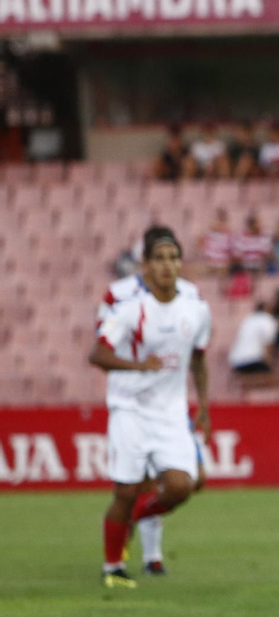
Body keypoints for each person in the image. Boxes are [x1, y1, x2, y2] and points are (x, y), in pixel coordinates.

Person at [89, 227, 211, 588]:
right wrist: (138, 366)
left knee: (181, 486)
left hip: (171, 412)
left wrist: (204, 405)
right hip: (130, 408)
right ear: (145, 264)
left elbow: (199, 359)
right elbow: (98, 353)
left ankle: (134, 523)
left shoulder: (197, 308)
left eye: (174, 258)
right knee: (127, 491)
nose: (167, 266)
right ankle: (114, 567)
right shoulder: (128, 308)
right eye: (159, 259)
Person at [228, 300, 279, 388]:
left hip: (235, 361)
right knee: (275, 379)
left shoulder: (248, 319)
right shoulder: (268, 320)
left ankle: (246, 381)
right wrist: (270, 367)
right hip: (253, 360)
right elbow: (268, 346)